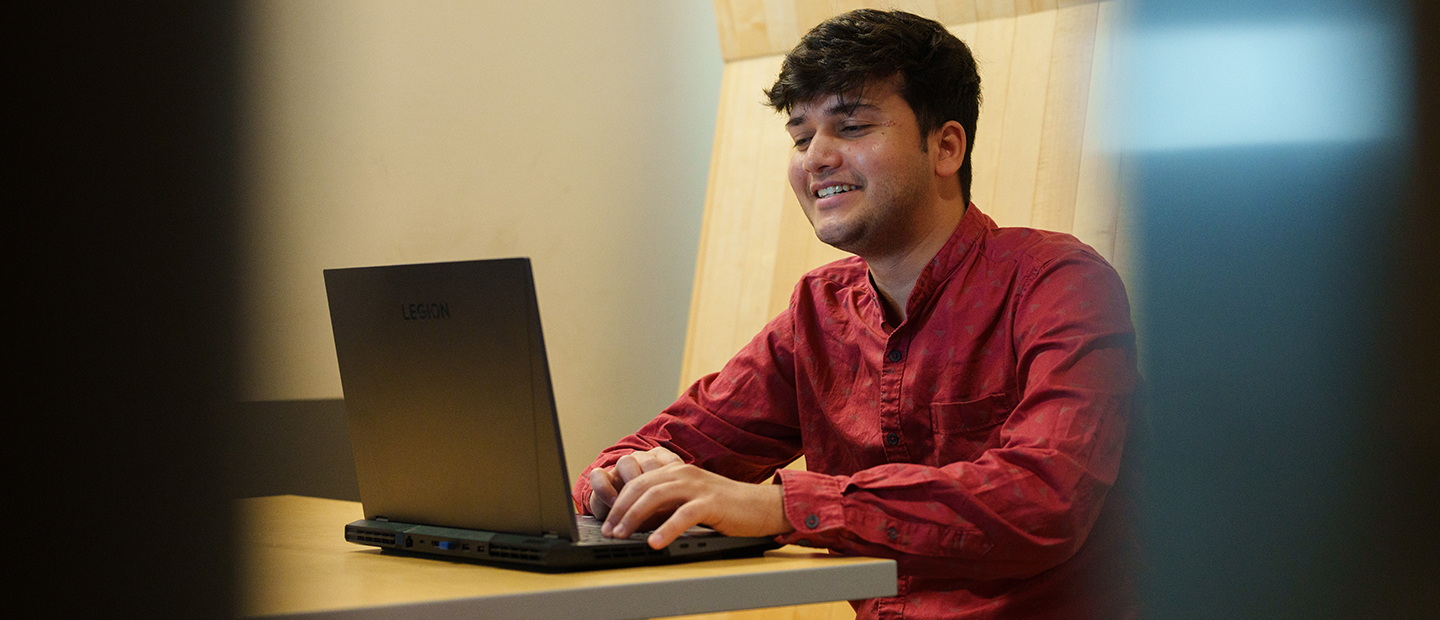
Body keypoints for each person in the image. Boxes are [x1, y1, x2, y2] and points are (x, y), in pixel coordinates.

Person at [573, 9, 1139, 619]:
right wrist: (617, 483)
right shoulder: (819, 310)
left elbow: (1043, 500)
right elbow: (653, 449)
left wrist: (780, 507)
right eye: (799, 137)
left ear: (946, 146)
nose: (815, 157)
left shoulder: (1058, 283)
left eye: (851, 126)